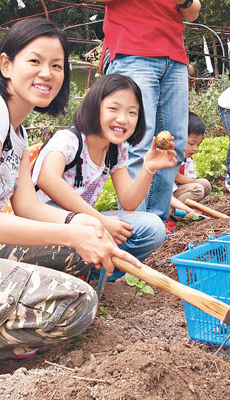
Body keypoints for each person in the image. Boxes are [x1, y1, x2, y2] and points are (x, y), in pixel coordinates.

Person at [0, 18, 141, 391]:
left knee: (81, 254)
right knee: (76, 302)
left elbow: (27, 205)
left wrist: (85, 227)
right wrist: (75, 235)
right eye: (35, 61)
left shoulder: (17, 129)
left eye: (57, 65)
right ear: (6, 65)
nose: (48, 73)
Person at [32, 73, 177, 281]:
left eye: (132, 112)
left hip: (84, 224)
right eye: (113, 109)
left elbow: (128, 202)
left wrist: (149, 167)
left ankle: (90, 273)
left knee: (153, 228)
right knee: (91, 234)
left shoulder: (116, 150)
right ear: (94, 107)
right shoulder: (69, 140)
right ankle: (71, 269)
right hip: (47, 224)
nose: (122, 119)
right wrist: (100, 221)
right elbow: (47, 179)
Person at [87, 0, 201, 221]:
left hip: (174, 57)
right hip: (133, 49)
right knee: (137, 143)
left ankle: (157, 225)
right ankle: (136, 225)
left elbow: (193, 12)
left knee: (173, 146)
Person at [172, 111, 211, 204]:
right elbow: (176, 177)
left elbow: (189, 178)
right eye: (191, 144)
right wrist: (194, 182)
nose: (195, 149)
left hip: (179, 189)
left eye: (198, 144)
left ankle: (182, 207)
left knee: (206, 185)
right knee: (198, 189)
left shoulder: (188, 159)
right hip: (168, 194)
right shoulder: (171, 156)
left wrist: (194, 182)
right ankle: (173, 211)